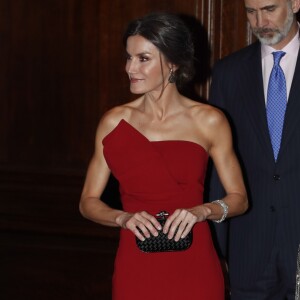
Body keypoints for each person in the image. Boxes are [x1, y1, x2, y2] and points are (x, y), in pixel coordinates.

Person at [79, 12, 248, 300]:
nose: (130, 68)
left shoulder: (208, 120)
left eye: (142, 58)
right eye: (129, 57)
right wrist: (122, 218)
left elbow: (239, 199)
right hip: (137, 264)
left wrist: (203, 210)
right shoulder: (114, 122)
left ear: (173, 64)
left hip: (195, 266)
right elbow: (87, 202)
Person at [208, 0, 300, 299]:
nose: (259, 20)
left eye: (269, 8)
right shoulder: (228, 73)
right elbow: (219, 170)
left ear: (295, 3)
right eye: (251, 11)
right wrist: (218, 248)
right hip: (249, 247)